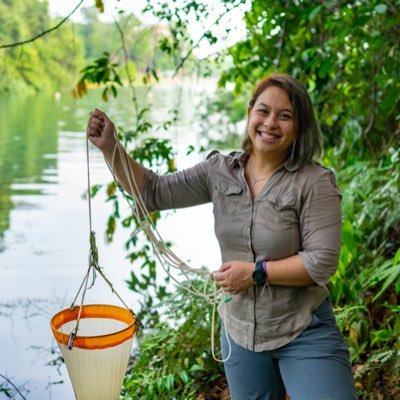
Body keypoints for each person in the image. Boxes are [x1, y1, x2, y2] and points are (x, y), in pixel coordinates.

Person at [87, 73, 358, 400]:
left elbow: (322, 263)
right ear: (249, 114)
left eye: (284, 116)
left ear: (299, 127)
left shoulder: (315, 182)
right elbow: (153, 191)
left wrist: (255, 273)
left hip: (302, 329)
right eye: (263, 111)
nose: (270, 123)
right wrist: (111, 147)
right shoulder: (219, 171)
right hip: (239, 334)